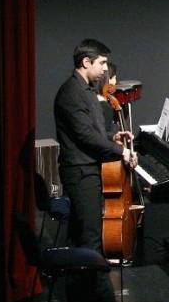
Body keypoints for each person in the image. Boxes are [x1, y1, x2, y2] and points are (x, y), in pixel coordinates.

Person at [54, 39, 136, 302]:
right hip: (81, 173)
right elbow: (85, 136)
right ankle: (101, 296)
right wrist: (121, 152)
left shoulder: (87, 91)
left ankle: (79, 294)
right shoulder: (70, 93)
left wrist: (113, 137)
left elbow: (94, 132)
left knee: (83, 236)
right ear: (86, 62)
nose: (105, 69)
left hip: (88, 170)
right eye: (101, 63)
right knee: (90, 240)